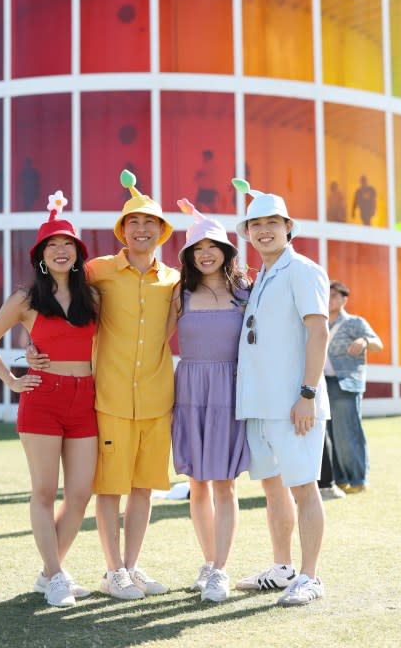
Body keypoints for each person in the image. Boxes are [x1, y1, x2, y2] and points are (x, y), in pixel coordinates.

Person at [28, 170, 179, 601]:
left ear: (162, 231)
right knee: (108, 489)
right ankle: (112, 572)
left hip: (156, 399)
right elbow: (51, 302)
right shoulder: (96, 271)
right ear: (122, 230)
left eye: (151, 223)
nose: (143, 230)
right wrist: (31, 344)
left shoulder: (173, 280)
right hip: (109, 399)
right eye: (134, 223)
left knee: (143, 489)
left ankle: (131, 566)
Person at [0, 191, 99, 608]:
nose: (61, 251)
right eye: (53, 245)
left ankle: (49, 574)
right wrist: (12, 379)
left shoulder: (94, 297)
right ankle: (58, 574)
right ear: (41, 257)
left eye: (68, 244)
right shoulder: (26, 299)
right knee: (45, 491)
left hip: (86, 400)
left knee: (80, 493)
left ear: (78, 254)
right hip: (43, 398)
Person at [231, 178, 330, 607]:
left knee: (304, 487)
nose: (264, 230)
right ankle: (283, 568)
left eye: (272, 222)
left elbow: (319, 332)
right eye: (256, 224)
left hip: (295, 405)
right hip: (259, 405)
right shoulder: (263, 275)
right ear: (248, 232)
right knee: (273, 489)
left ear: (289, 226)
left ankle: (310, 577)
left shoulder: (303, 269)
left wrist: (306, 394)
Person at [166, 199, 250, 603]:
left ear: (227, 250)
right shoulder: (179, 293)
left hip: (230, 391)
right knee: (197, 485)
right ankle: (208, 562)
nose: (205, 254)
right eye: (197, 249)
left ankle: (221, 569)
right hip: (190, 390)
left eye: (212, 247)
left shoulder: (244, 293)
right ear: (188, 256)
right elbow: (150, 341)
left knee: (225, 485)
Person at [323, 280, 383, 493]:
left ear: (344, 299)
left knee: (347, 433)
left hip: (346, 383)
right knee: (328, 435)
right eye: (326, 294)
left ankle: (358, 480)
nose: (329, 298)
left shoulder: (355, 323)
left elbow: (378, 343)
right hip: (321, 384)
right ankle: (339, 479)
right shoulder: (317, 322)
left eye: (334, 294)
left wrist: (365, 342)